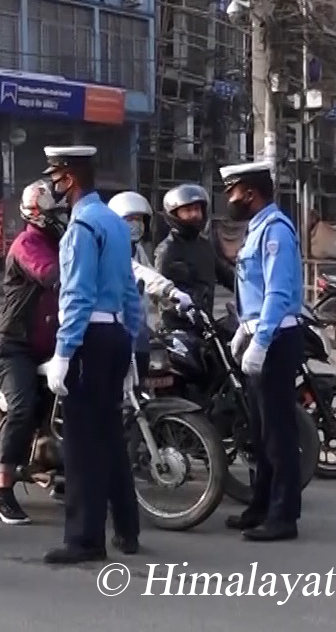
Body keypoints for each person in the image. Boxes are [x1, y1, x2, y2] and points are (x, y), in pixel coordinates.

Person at [39, 145, 142, 565]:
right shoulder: (116, 224)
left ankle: (84, 539)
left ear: (70, 179)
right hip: (115, 334)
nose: (55, 186)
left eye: (57, 178)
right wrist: (131, 344)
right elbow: (132, 291)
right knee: (111, 438)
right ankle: (127, 529)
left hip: (90, 338)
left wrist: (64, 352)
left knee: (81, 445)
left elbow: (77, 295)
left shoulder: (82, 226)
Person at [220, 161, 305, 543]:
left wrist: (262, 339)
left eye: (233, 191)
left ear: (251, 193)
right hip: (259, 335)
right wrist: (245, 329)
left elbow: (277, 293)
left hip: (276, 341)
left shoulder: (275, 232)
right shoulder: (256, 229)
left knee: (278, 433)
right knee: (259, 430)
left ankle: (283, 516)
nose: (230, 199)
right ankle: (261, 505)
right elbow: (253, 294)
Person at [0, 179, 70, 527]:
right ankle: (1, 492)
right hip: (14, 347)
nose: (59, 217)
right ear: (36, 214)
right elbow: (52, 275)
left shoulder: (62, 242)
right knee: (22, 409)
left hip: (50, 345)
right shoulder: (28, 244)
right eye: (54, 212)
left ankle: (61, 473)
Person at [107, 190, 189, 379]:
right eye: (129, 219)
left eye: (139, 219)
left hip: (139, 330)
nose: (136, 225)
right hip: (116, 330)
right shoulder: (111, 249)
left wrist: (174, 305)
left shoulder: (138, 250)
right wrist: (169, 290)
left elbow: (151, 276)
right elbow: (138, 272)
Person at [154, 183, 239, 327]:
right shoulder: (167, 250)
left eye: (197, 209)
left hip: (205, 325)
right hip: (178, 329)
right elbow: (163, 294)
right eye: (187, 210)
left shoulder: (204, 245)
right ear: (174, 214)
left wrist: (251, 290)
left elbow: (227, 275)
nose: (194, 214)